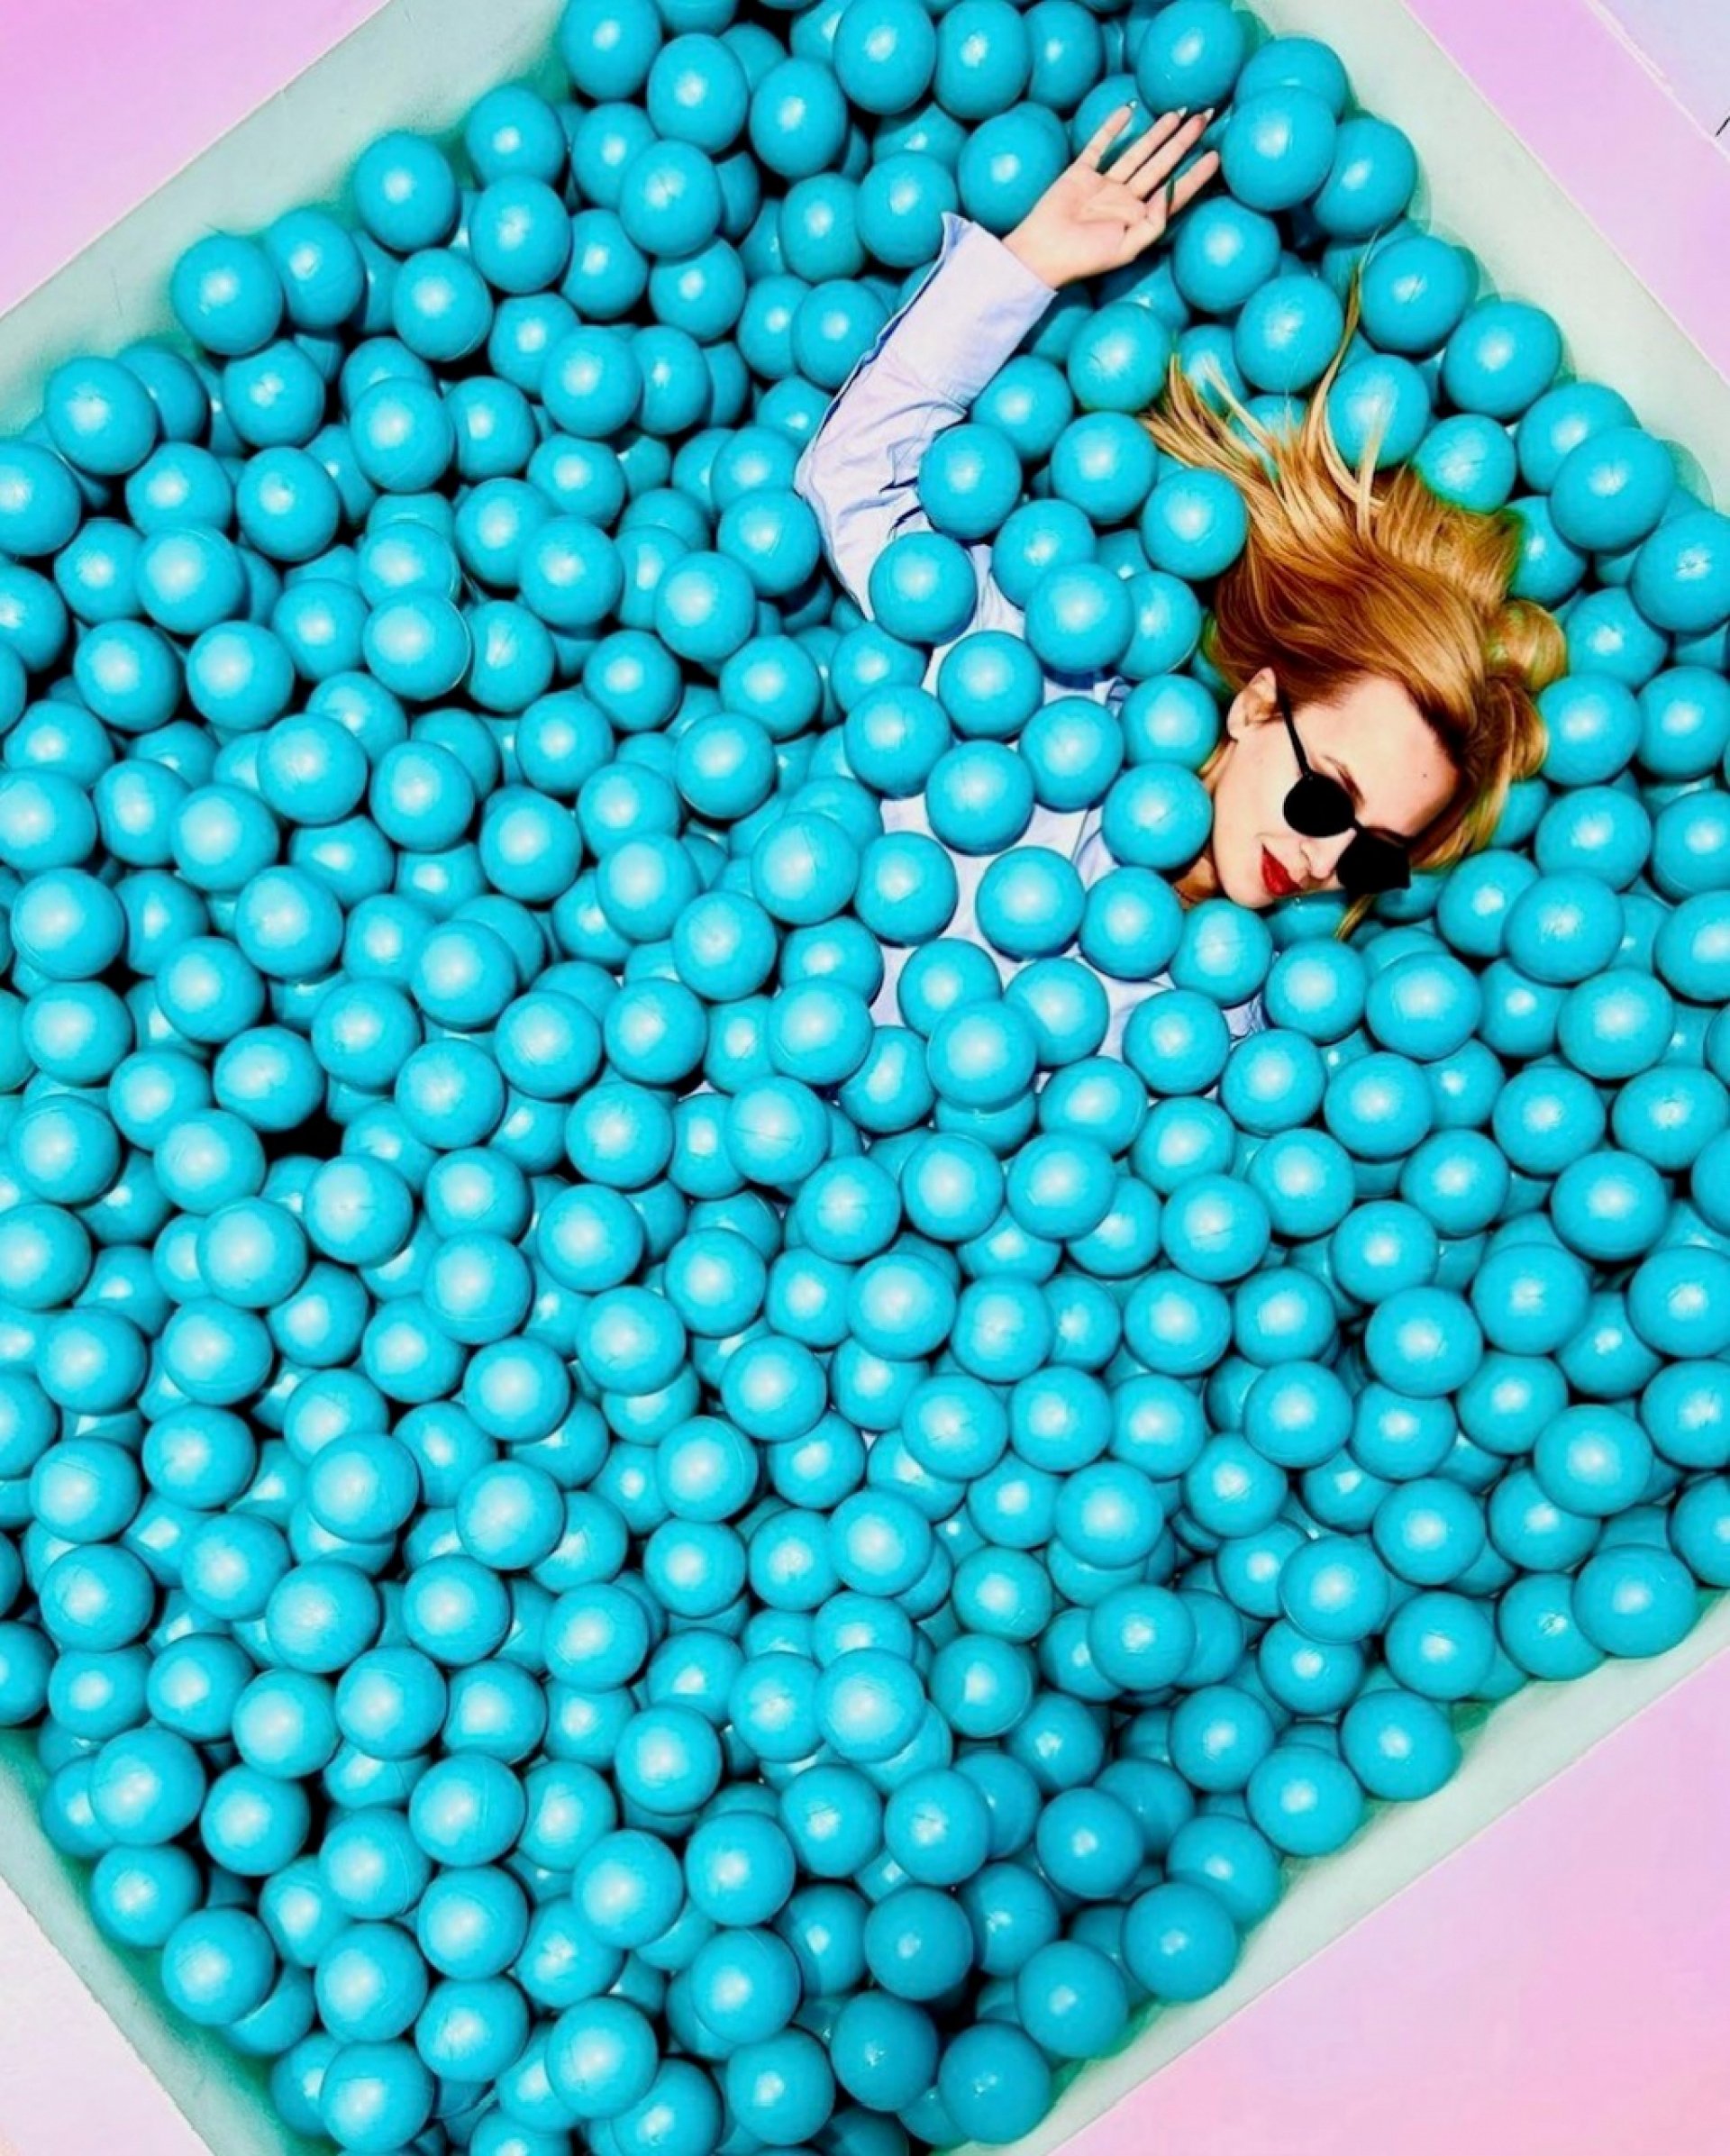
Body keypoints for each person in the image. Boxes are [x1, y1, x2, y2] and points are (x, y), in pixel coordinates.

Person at [795, 101, 1565, 1045]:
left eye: (1372, 856)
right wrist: (1027, 265)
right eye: (1328, 797)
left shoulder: (1229, 1027)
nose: (1323, 860)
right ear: (1257, 706)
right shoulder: (1037, 681)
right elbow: (853, 480)